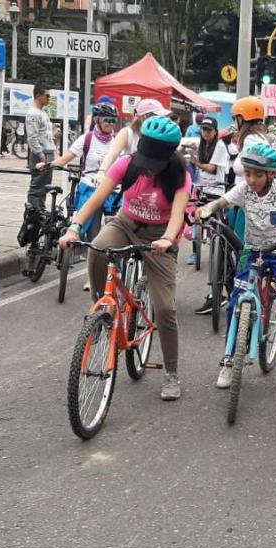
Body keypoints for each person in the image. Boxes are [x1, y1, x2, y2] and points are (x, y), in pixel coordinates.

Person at [59, 116, 189, 401]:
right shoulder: (127, 164)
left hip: (159, 236)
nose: (148, 167)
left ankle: (171, 372)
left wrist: (167, 239)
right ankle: (102, 309)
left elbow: (178, 214)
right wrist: (73, 227)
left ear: (168, 156)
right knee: (97, 248)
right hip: (126, 223)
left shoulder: (180, 175)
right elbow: (95, 199)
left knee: (165, 309)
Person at [199, 143, 276, 393]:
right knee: (235, 303)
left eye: (258, 174)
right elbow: (222, 202)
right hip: (251, 251)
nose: (251, 179)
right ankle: (230, 359)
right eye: (247, 173)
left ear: (272, 174)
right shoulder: (243, 190)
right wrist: (206, 209)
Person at [194, 96, 268, 316]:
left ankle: (241, 294)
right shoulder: (257, 139)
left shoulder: (253, 142)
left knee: (241, 248)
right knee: (235, 247)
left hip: (246, 201)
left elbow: (239, 168)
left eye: (236, 118)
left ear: (241, 118)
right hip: (241, 198)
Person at [37, 103, 119, 242]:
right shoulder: (87, 139)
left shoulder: (117, 142)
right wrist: (46, 165)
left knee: (115, 234)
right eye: (107, 120)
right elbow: (64, 159)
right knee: (93, 234)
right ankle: (93, 257)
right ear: (97, 120)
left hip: (113, 190)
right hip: (91, 187)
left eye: (114, 120)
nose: (111, 124)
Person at [181, 116, 230, 265]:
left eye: (209, 130)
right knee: (196, 218)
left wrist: (196, 162)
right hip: (200, 188)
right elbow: (182, 150)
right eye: (204, 129)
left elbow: (211, 168)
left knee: (216, 221)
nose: (206, 133)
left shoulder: (220, 146)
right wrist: (185, 149)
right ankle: (195, 252)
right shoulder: (201, 144)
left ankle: (219, 249)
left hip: (216, 189)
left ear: (215, 132)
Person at [96, 98, 171, 180]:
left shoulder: (161, 135)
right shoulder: (128, 133)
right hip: (131, 183)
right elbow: (112, 153)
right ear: (145, 117)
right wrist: (102, 172)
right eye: (157, 116)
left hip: (153, 183)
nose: (161, 120)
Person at [25, 85, 57, 210]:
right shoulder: (33, 113)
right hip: (41, 154)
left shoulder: (42, 112)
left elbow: (45, 133)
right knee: (37, 188)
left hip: (48, 152)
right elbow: (32, 137)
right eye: (47, 96)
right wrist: (41, 155)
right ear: (38, 95)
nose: (49, 98)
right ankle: (33, 215)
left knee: (44, 188)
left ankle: (40, 214)